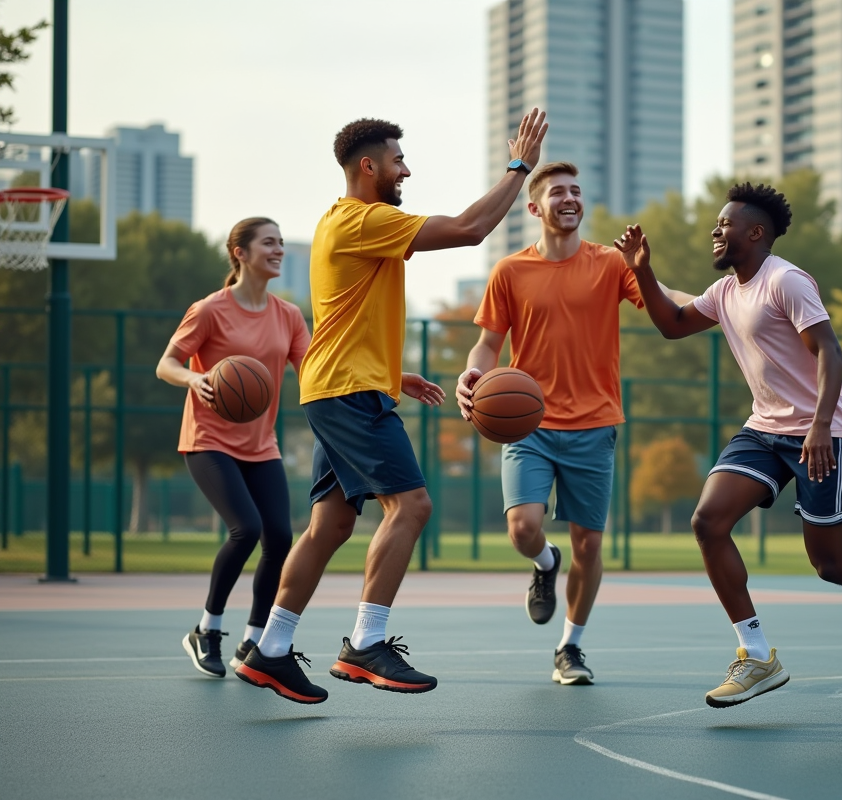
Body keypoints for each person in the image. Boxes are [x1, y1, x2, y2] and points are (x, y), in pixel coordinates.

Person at [234, 111, 548, 704]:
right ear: (368, 167)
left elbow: (342, 315)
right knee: (411, 505)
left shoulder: (340, 221)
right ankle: (365, 643)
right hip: (348, 393)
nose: (407, 169)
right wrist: (519, 166)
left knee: (331, 523)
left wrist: (388, 372)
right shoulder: (363, 219)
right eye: (398, 160)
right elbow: (469, 228)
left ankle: (270, 649)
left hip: (343, 385)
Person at [614, 183, 842, 709]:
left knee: (830, 562)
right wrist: (641, 269)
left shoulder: (786, 280)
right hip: (762, 429)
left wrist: (820, 425)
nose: (715, 230)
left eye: (725, 224)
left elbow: (831, 355)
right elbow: (671, 325)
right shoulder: (726, 291)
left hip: (822, 433)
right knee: (708, 521)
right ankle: (756, 655)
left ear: (756, 233)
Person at [455, 162, 687, 686]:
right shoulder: (510, 271)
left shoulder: (610, 263)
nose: (570, 198)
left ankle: (570, 647)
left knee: (589, 545)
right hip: (528, 424)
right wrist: (473, 374)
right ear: (535, 208)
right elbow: (488, 344)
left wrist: (728, 303)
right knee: (523, 528)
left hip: (594, 424)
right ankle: (543, 563)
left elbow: (666, 299)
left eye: (577, 191)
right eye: (558, 191)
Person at [157, 217, 310, 678]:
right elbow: (167, 364)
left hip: (261, 444)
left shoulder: (288, 316)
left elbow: (317, 370)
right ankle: (207, 630)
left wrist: (390, 378)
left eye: (281, 242)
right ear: (240, 253)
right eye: (269, 242)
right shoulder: (209, 310)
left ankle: (254, 640)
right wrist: (194, 378)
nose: (278, 249)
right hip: (209, 440)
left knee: (280, 539)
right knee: (246, 529)